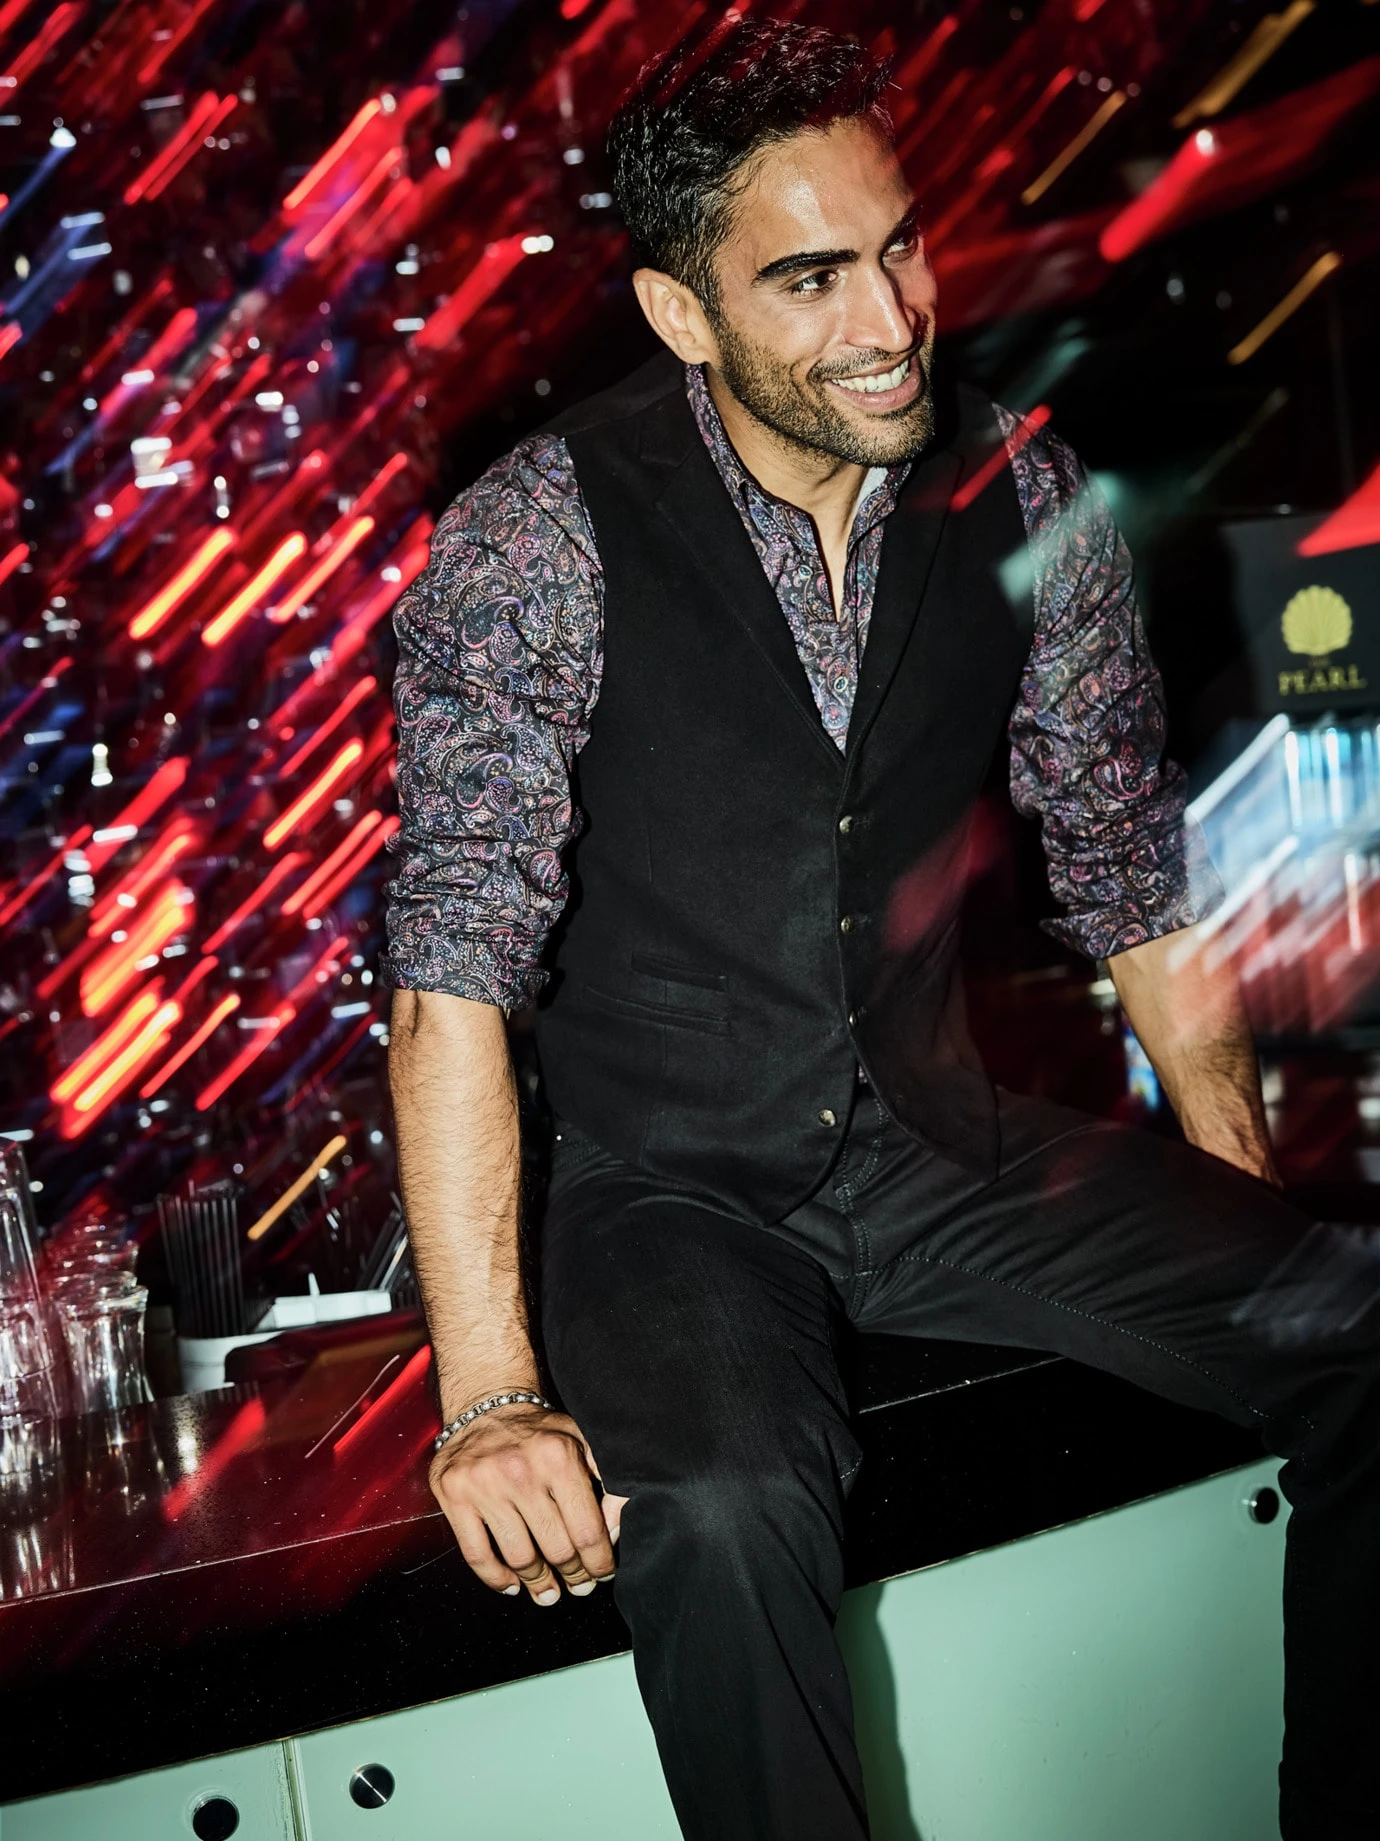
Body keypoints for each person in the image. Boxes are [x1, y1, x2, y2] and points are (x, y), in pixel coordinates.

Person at [383, 21, 1377, 1839]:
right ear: (683, 314)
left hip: (939, 1143)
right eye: (810, 277)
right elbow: (452, 980)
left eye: (900, 244)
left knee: (1359, 1324)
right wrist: (491, 1397)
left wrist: (1238, 1205)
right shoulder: (538, 541)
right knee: (726, 1507)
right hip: (663, 1185)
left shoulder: (1027, 494)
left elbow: (1129, 876)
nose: (892, 316)